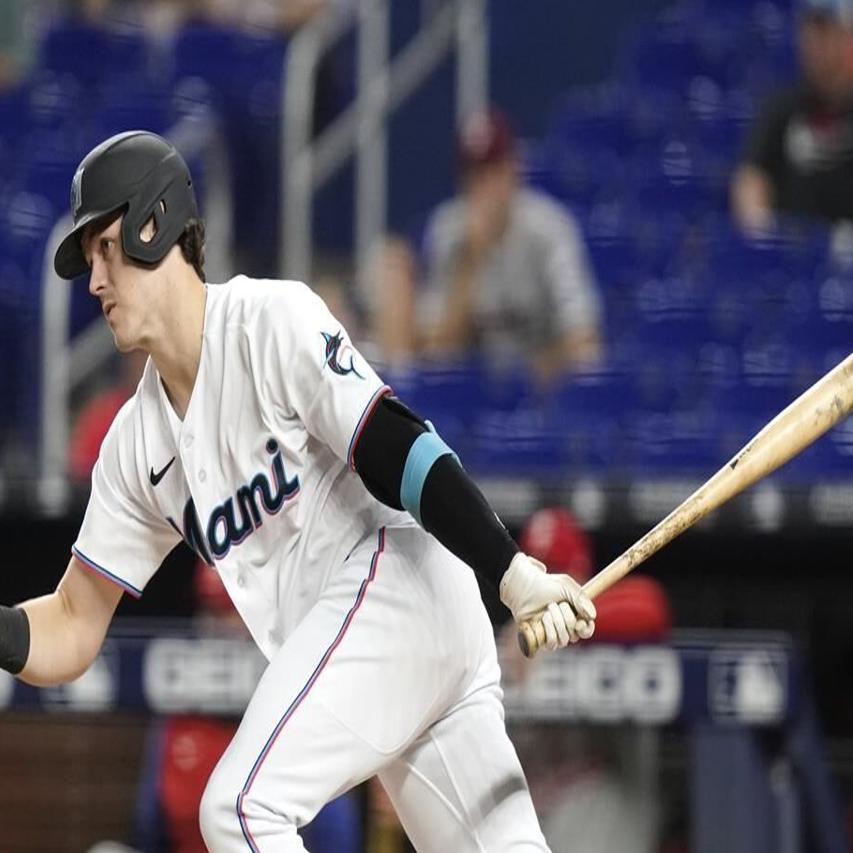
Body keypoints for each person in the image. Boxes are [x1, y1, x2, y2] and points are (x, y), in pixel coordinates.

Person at [0, 130, 597, 851]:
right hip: (376, 651)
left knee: (240, 809)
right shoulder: (135, 443)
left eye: (104, 249)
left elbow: (394, 442)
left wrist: (507, 568)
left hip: (397, 588)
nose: (93, 280)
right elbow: (70, 621)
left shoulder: (264, 321)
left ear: (153, 222)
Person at [370, 107, 604, 385]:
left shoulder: (550, 230)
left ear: (514, 169)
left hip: (540, 392)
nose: (485, 186)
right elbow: (439, 351)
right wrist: (472, 260)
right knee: (391, 263)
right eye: (475, 175)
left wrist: (528, 377)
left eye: (494, 171)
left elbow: (585, 342)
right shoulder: (450, 230)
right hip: (471, 396)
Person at [731, 0, 853, 235]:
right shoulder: (782, 108)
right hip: (794, 257)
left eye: (825, 32)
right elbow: (751, 177)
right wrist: (761, 231)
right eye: (809, 32)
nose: (815, 45)